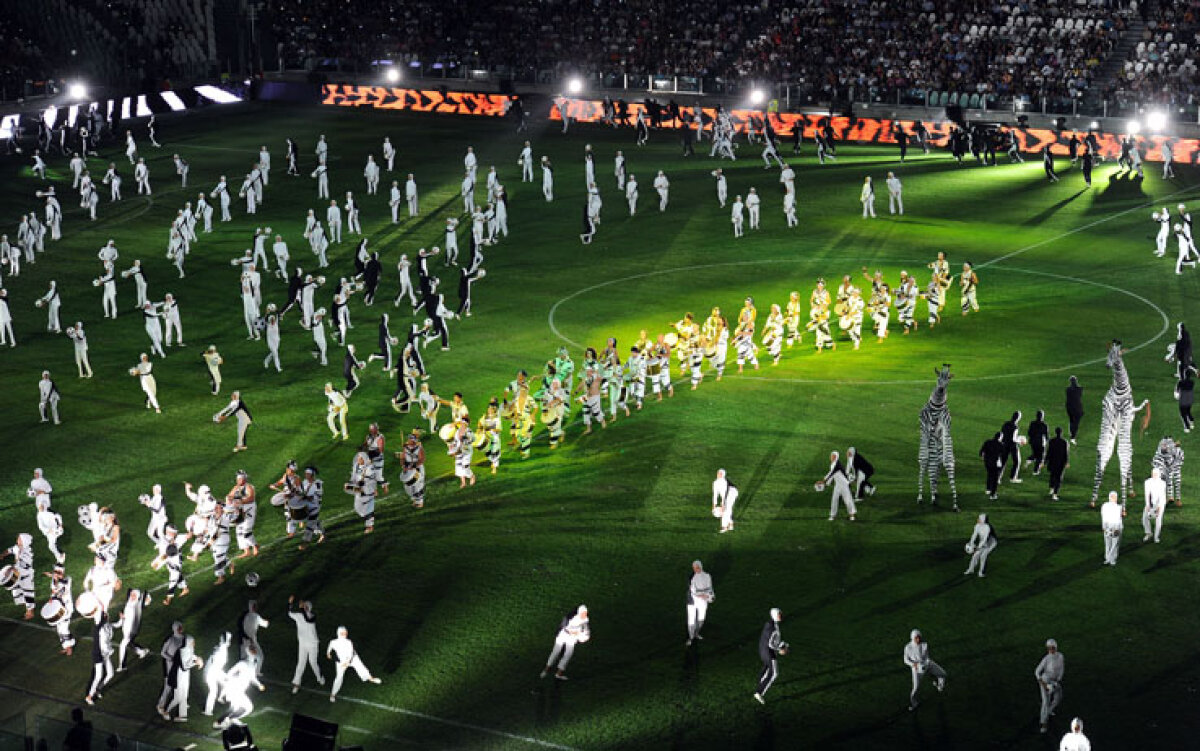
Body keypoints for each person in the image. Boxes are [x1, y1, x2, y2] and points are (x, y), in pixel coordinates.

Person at [327, 626, 381, 701]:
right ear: (339, 633)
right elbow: (329, 649)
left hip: (353, 658)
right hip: (340, 663)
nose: (345, 634)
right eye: (343, 633)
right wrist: (328, 654)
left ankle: (371, 678)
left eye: (345, 633)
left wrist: (347, 662)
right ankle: (333, 694)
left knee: (361, 668)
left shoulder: (349, 642)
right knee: (338, 678)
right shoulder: (333, 642)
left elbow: (350, 654)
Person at [540, 605, 590, 681]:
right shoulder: (571, 618)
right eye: (583, 613)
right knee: (556, 652)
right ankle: (546, 670)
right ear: (579, 612)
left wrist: (584, 636)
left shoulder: (585, 619)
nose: (585, 615)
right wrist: (577, 633)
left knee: (568, 655)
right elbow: (565, 627)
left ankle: (558, 674)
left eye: (586, 613)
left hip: (572, 638)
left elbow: (586, 631)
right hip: (563, 635)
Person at [288, 596, 325, 693]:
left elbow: (308, 620)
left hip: (313, 644)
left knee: (313, 662)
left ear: (308, 608)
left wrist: (301, 608)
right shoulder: (299, 616)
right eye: (304, 606)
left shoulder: (311, 616)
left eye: (305, 606)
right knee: (300, 663)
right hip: (302, 644)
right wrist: (290, 603)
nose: (304, 607)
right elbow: (289, 613)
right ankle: (296, 683)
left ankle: (320, 678)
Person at [904, 629, 946, 710]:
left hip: (927, 664)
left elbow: (927, 657)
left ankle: (939, 685)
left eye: (919, 637)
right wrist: (914, 664)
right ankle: (914, 703)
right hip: (916, 669)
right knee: (916, 688)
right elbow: (905, 660)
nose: (918, 639)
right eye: (916, 638)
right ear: (912, 638)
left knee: (943, 674)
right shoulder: (908, 647)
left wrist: (926, 664)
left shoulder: (924, 645)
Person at [753, 608, 786, 704]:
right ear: (775, 615)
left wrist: (781, 644)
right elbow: (771, 644)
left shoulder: (769, 623)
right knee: (774, 673)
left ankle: (760, 681)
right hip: (769, 652)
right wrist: (780, 649)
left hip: (762, 651)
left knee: (767, 667)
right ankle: (759, 692)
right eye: (780, 614)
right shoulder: (773, 628)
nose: (781, 615)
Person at [114, 589, 151, 671]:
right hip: (126, 629)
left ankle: (122, 665)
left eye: (134, 595)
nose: (132, 596)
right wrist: (122, 617)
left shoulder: (137, 604)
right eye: (131, 594)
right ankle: (142, 652)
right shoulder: (129, 603)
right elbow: (126, 616)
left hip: (132, 630)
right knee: (130, 644)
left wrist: (146, 597)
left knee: (123, 645)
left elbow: (147, 600)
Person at [1035, 639, 1065, 734]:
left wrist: (1056, 682)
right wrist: (1045, 685)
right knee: (1045, 701)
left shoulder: (1060, 656)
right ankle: (1043, 723)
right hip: (1045, 681)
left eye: (1053, 648)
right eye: (1049, 648)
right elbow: (1037, 672)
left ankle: (1049, 711)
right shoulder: (1046, 659)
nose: (1051, 650)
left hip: (1054, 682)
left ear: (1056, 647)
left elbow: (1061, 670)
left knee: (1058, 697)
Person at [820, 451, 856, 521]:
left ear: (836, 457)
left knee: (847, 500)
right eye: (832, 456)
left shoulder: (837, 464)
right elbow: (832, 475)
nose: (832, 457)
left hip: (844, 484)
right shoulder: (833, 464)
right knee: (834, 500)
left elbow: (831, 473)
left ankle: (852, 515)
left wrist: (824, 481)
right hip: (837, 485)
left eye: (833, 456)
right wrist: (825, 483)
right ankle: (832, 515)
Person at [686, 560, 714, 646]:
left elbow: (710, 588)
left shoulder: (707, 576)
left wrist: (709, 596)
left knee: (701, 620)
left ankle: (696, 634)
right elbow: (694, 591)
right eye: (694, 568)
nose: (695, 569)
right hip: (692, 601)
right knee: (691, 621)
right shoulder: (691, 577)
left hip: (702, 601)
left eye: (697, 567)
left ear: (701, 567)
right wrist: (704, 595)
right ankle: (691, 638)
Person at [1143, 467, 1167, 543]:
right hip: (1151, 503)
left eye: (1156, 474)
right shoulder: (1147, 482)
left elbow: (1161, 496)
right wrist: (1147, 505)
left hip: (1160, 503)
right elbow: (1147, 494)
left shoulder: (1162, 483)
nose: (1154, 475)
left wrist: (1159, 507)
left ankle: (1156, 537)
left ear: (1159, 475)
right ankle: (1148, 533)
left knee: (1158, 519)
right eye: (1153, 474)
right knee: (1144, 518)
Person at [1046, 427, 1070, 500]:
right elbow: (1066, 453)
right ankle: (1055, 494)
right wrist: (1066, 462)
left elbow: (1049, 452)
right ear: (1061, 433)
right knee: (1059, 478)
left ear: (1055, 432)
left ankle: (1051, 489)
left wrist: (1045, 461)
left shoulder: (1051, 441)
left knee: (1052, 475)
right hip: (1061, 463)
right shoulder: (1064, 442)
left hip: (1052, 461)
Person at [712, 468, 738, 533]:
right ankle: (731, 524)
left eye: (720, 474)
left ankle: (724, 527)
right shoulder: (715, 483)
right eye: (718, 473)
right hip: (726, 495)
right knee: (727, 509)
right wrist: (714, 506)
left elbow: (725, 495)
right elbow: (715, 494)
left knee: (727, 508)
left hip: (732, 492)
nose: (718, 475)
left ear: (723, 475)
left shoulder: (724, 482)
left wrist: (722, 505)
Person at [1101, 490, 1123, 565]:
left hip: (1114, 527)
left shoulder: (1118, 507)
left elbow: (1118, 519)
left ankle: (1111, 558)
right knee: (1110, 544)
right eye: (1113, 497)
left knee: (1114, 544)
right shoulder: (1106, 506)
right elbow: (1103, 516)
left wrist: (1117, 528)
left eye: (1114, 497)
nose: (1114, 498)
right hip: (1110, 526)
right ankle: (1109, 558)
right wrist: (1104, 527)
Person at [980, 431, 1003, 500]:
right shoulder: (1000, 445)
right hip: (995, 464)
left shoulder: (987, 442)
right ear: (1000, 437)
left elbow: (981, 452)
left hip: (987, 463)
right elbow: (1002, 455)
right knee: (995, 479)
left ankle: (988, 489)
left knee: (989, 475)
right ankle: (993, 494)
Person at [1176, 366, 1195, 432]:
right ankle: (1192, 423)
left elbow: (1177, 391)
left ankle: (1187, 427)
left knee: (1183, 414)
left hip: (1183, 400)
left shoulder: (1181, 382)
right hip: (1190, 399)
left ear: (1184, 374)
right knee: (1188, 411)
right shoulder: (1192, 382)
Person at [1065, 376, 1083, 444]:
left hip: (1069, 407)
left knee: (1071, 421)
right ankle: (1073, 436)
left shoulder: (1068, 389)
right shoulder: (1080, 389)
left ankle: (1072, 434)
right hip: (1077, 407)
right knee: (1076, 422)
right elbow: (1079, 395)